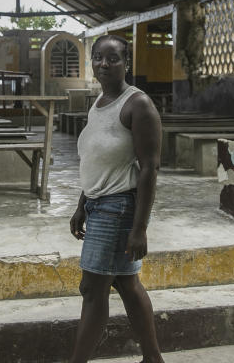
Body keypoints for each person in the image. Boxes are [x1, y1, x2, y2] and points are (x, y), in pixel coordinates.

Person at [69, 35, 165, 363]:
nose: (104, 64)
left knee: (93, 290)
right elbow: (96, 158)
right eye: (98, 58)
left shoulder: (138, 105)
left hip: (118, 207)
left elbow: (149, 168)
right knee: (126, 284)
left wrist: (140, 228)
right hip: (97, 204)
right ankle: (153, 359)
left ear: (127, 63)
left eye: (113, 58)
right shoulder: (97, 104)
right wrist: (82, 205)